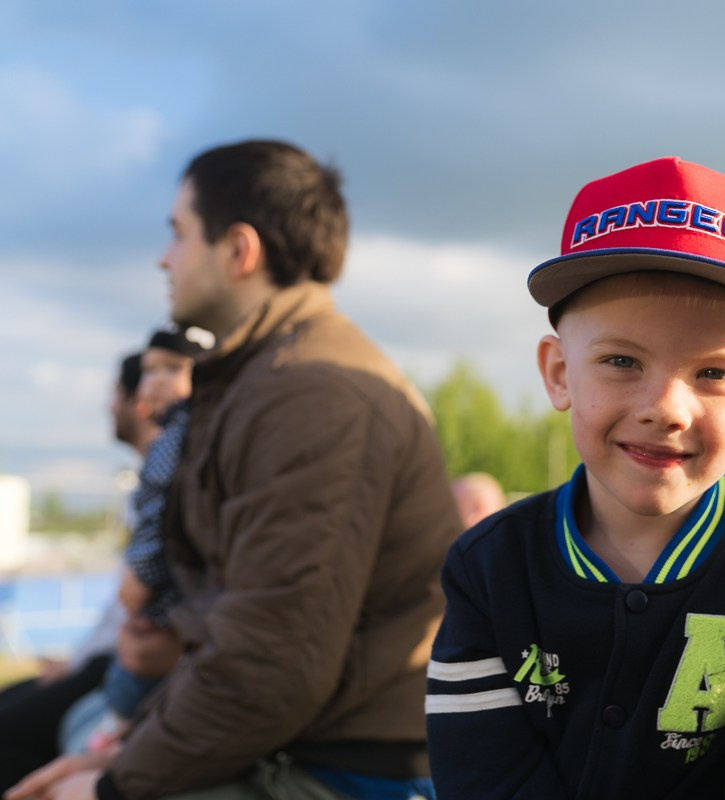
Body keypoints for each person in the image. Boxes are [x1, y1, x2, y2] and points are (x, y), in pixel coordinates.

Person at [10, 140, 462, 800]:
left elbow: (269, 669)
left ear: (240, 250)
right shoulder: (265, 377)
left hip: (344, 768)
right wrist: (126, 751)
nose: (164, 257)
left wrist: (115, 783)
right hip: (298, 741)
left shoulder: (311, 393)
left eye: (179, 233)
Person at [426, 156, 725, 798]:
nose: (665, 406)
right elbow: (483, 779)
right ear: (557, 372)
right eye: (622, 360)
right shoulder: (487, 569)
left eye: (713, 373)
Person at [0, 352, 156, 791]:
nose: (108, 406)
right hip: (114, 660)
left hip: (130, 664)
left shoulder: (165, 485)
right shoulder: (149, 483)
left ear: (138, 401)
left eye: (114, 394)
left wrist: (81, 665)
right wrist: (74, 663)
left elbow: (134, 601)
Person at [66, 328, 204, 756]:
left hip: (162, 638)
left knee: (88, 732)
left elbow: (153, 539)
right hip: (152, 637)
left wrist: (137, 583)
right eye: (150, 371)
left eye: (174, 368)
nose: (159, 381)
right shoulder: (177, 445)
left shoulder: (175, 447)